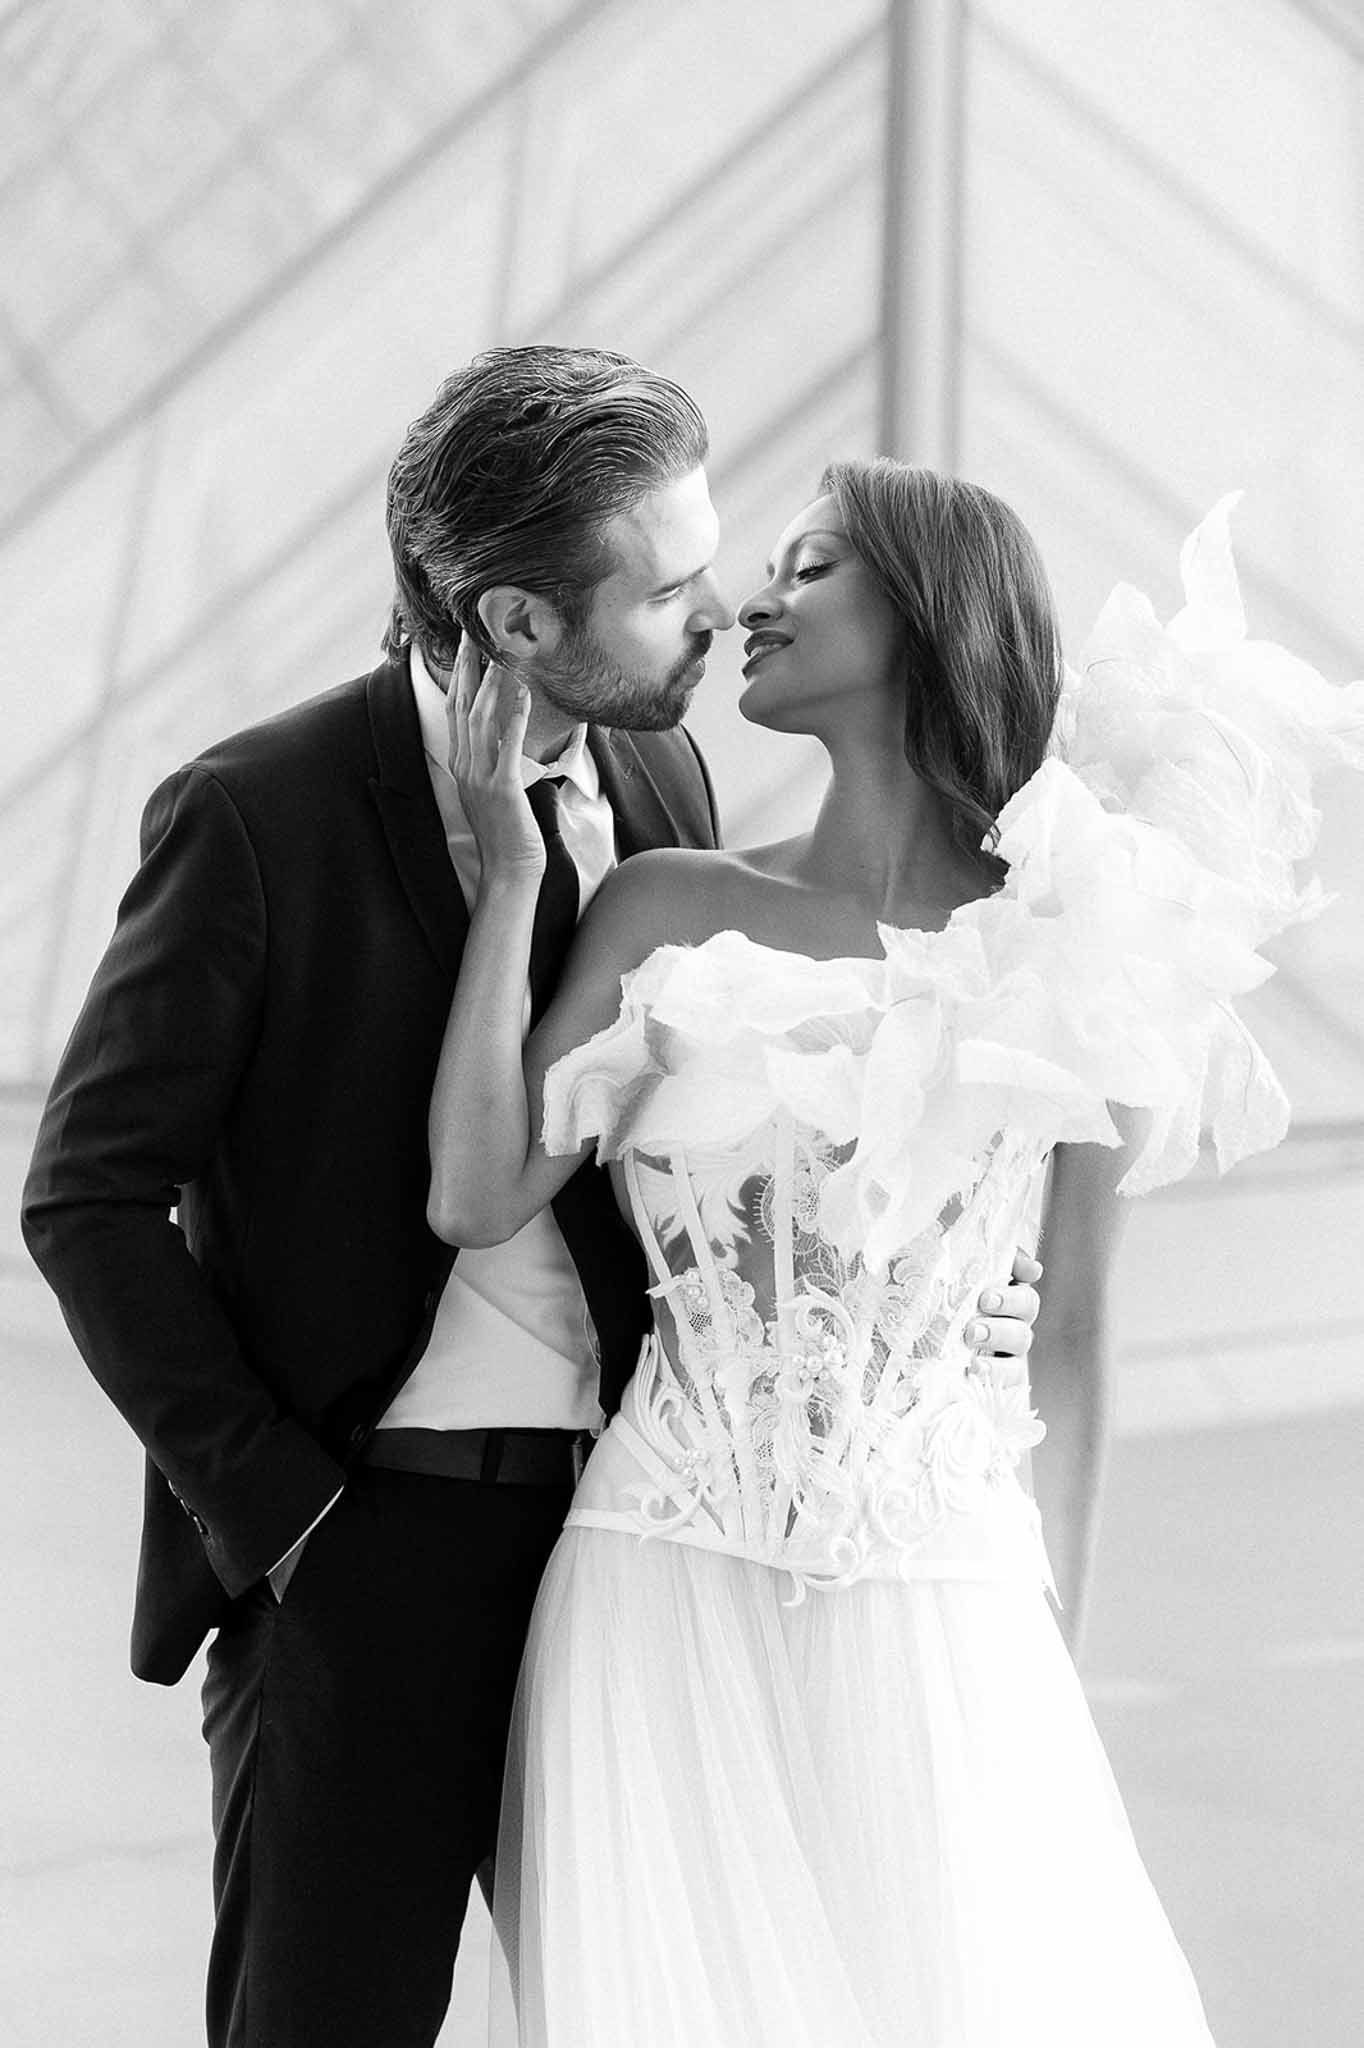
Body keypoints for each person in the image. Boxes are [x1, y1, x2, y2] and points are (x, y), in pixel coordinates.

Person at [18, 350, 1042, 2048]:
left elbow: (699, 1135)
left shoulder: (664, 792)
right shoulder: (258, 816)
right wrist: (285, 1515)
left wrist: (936, 1293)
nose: (717, 613)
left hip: (640, 1549)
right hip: (371, 1549)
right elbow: (86, 1199)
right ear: (513, 620)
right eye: (668, 588)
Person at [429, 464, 1362, 2044]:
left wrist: (1048, 1641)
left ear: (932, 612)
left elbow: (1066, 1337)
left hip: (945, 1588)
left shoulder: (1072, 940)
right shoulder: (665, 902)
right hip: (655, 1573)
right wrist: (513, 874)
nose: (755, 603)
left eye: (814, 566)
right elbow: (475, 1193)